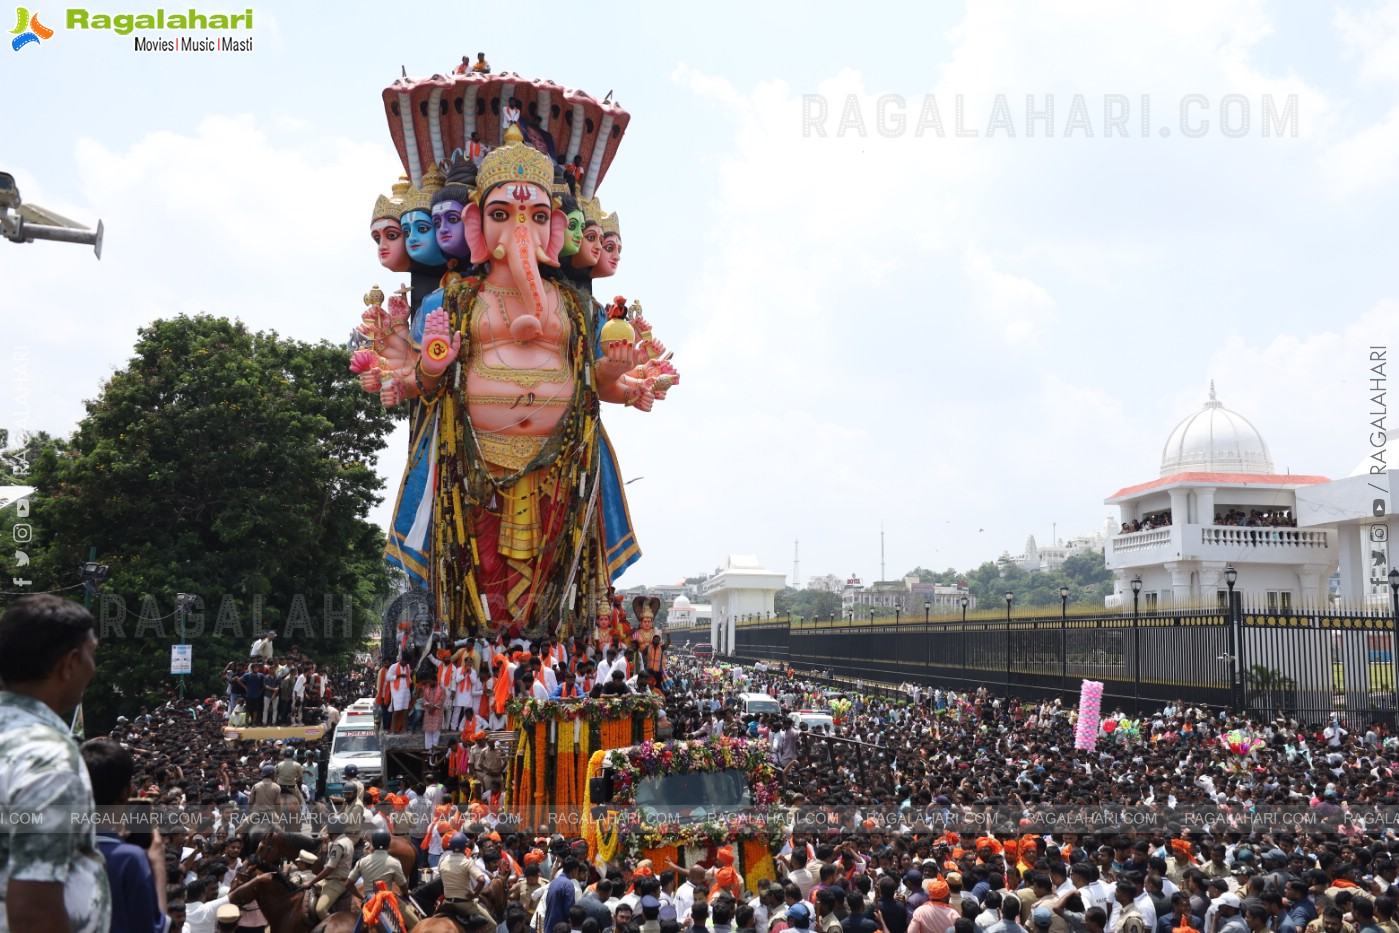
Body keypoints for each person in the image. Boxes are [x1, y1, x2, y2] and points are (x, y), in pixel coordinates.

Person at [0, 594, 111, 933]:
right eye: (91, 654)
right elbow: (34, 911)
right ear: (69, 663)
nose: (93, 667)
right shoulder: (48, 756)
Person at [81, 738, 167, 933]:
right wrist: (158, 866)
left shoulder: (53, 848)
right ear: (126, 793)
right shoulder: (129, 859)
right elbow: (154, 928)